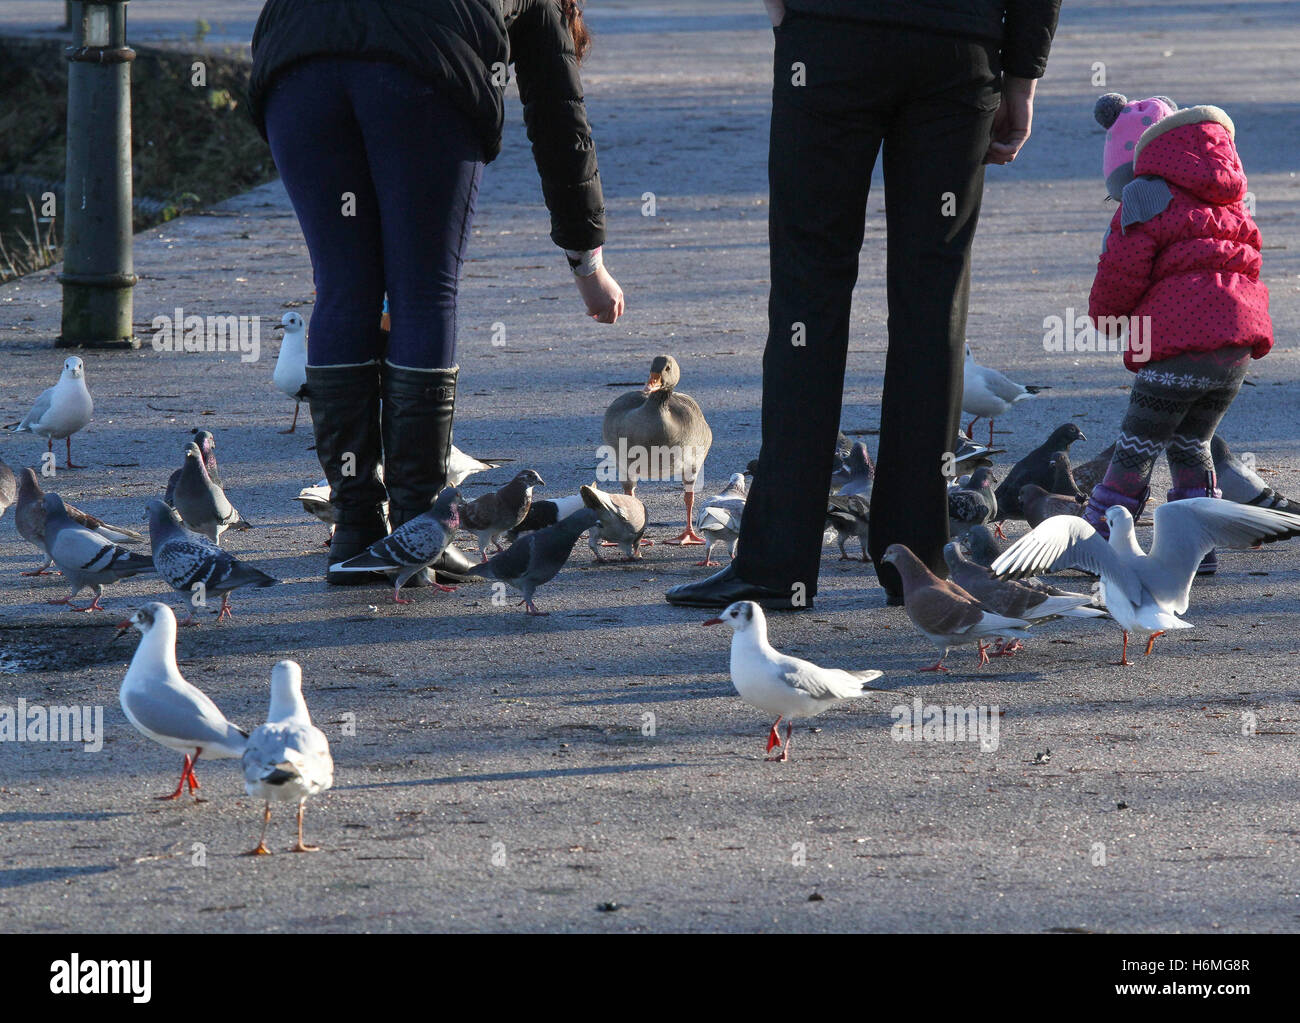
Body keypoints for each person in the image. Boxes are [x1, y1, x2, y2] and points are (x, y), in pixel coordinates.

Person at [665, 0, 1060, 612]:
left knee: (807, 292)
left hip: (831, 36)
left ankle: (776, 564)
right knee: (933, 301)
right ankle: (917, 561)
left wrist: (788, 15)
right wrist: (1022, 75)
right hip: (957, 45)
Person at [247, 0, 624, 585]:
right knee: (423, 293)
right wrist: (586, 260)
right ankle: (417, 526)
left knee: (343, 290)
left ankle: (353, 532)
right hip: (421, 75)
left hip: (297, 67)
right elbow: (558, 116)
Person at [1081, 94, 1273, 574]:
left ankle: (1097, 542)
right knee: (1192, 444)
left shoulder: (1145, 195)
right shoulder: (1229, 199)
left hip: (1178, 346)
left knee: (1137, 446)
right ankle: (1197, 548)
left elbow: (1121, 270)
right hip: (1234, 351)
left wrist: (1105, 317)